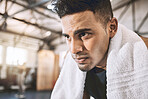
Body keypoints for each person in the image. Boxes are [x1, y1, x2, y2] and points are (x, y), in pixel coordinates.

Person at [51, 0, 148, 99]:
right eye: (68, 37)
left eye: (83, 34)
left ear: (112, 27)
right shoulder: (73, 63)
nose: (73, 50)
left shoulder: (144, 52)